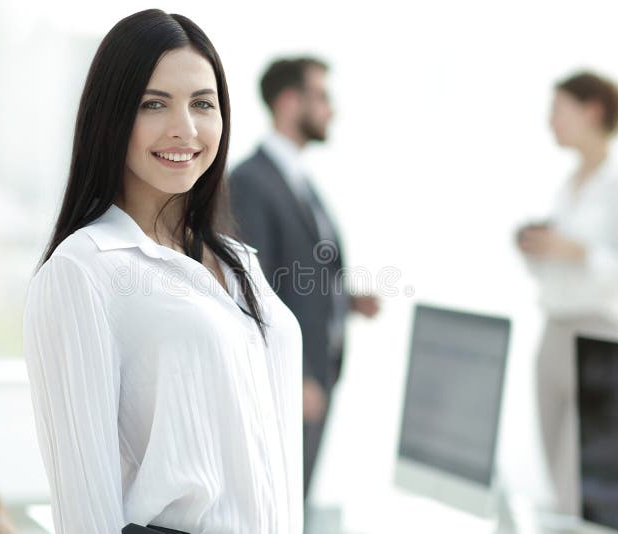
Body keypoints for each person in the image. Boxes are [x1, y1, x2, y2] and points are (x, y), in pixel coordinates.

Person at [23, 10, 303, 534]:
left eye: (203, 103)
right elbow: (85, 508)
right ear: (112, 116)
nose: (186, 129)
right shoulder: (83, 271)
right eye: (154, 104)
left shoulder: (241, 264)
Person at [229, 57, 380, 498]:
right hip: (291, 378)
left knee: (298, 499)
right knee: (280, 502)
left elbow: (296, 271)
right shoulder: (251, 181)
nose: (331, 110)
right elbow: (254, 285)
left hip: (318, 370)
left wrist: (345, 299)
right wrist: (293, 375)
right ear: (290, 102)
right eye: (322, 97)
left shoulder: (296, 177)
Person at [515, 71, 618, 519]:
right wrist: (538, 250)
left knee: (580, 484)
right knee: (555, 479)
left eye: (558, 110)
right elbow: (560, 268)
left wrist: (579, 252)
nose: (550, 121)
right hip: (554, 332)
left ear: (592, 111)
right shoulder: (567, 186)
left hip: (600, 336)